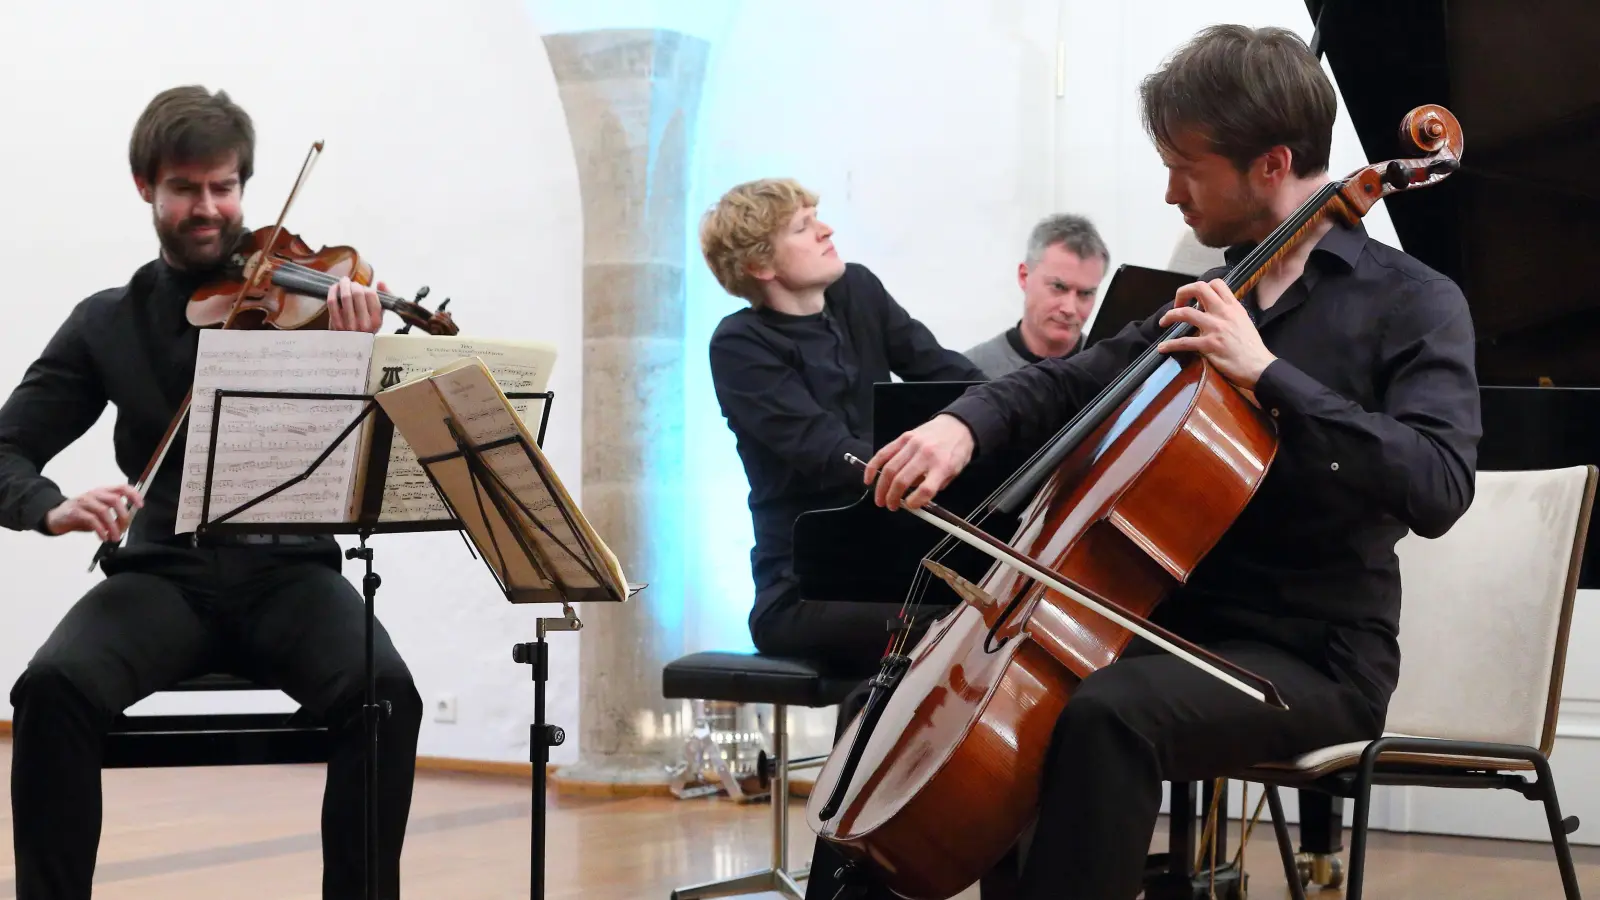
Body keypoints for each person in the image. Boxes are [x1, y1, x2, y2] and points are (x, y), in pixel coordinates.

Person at [846, 24, 1481, 900]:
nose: (1172, 190)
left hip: (1310, 660)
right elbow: (1065, 384)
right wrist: (960, 426)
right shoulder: (1213, 300)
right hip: (1162, 632)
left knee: (1108, 717)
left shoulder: (1415, 303)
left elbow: (1440, 484)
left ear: (1271, 164)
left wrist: (1268, 376)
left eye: (1188, 164)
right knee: (905, 701)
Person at [0, 86, 423, 899]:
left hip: (291, 575)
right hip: (163, 576)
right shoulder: (107, 322)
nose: (207, 207)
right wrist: (49, 506)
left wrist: (354, 360)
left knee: (385, 693)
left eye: (223, 187)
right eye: (185, 188)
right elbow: (7, 449)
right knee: (50, 690)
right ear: (146, 188)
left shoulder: (311, 306)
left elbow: (369, 446)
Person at [703, 177, 986, 674]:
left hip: (891, 567)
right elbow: (832, 453)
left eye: (818, 217)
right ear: (759, 264)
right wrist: (934, 464)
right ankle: (876, 754)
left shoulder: (857, 290)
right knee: (949, 631)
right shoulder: (739, 345)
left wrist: (1005, 414)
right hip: (802, 592)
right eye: (802, 227)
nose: (826, 230)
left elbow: (947, 372)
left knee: (986, 609)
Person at [964, 214, 1110, 377]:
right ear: (1024, 276)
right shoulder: (970, 374)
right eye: (1058, 287)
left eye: (1085, 293)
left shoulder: (1114, 374)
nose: (1069, 309)